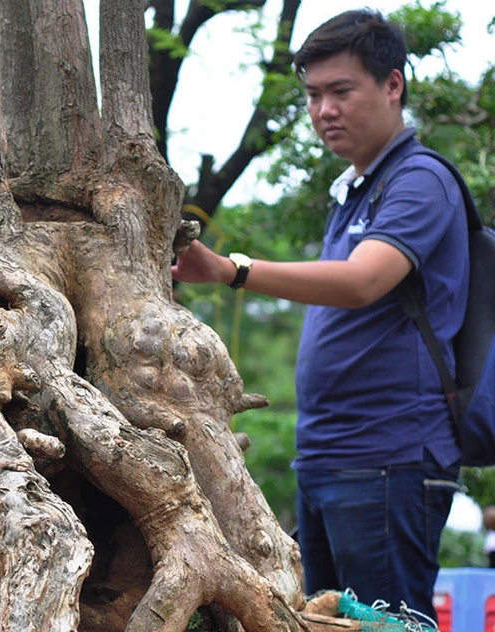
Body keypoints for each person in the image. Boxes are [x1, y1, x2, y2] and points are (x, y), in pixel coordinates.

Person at [171, 8, 469, 619]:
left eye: (341, 91)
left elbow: (363, 281)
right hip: (329, 456)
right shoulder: (356, 191)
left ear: (393, 84)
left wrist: (233, 270)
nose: (323, 110)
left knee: (384, 621)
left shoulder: (419, 180)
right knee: (321, 619)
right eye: (312, 95)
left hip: (389, 457)